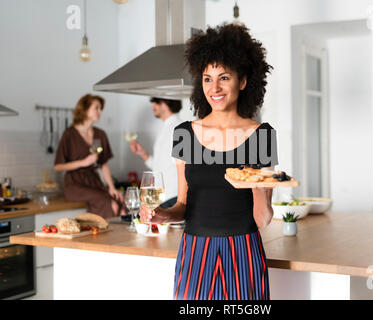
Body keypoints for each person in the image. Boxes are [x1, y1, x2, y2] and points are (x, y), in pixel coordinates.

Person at [140, 24, 277, 300]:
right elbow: (182, 205)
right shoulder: (185, 135)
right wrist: (162, 215)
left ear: (243, 81)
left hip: (243, 250)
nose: (214, 87)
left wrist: (258, 184)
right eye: (207, 78)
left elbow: (262, 219)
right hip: (195, 250)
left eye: (224, 77)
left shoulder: (262, 136)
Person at [54, 94, 125, 218]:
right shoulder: (69, 134)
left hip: (94, 182)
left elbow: (103, 164)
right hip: (75, 184)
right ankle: (104, 235)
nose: (100, 111)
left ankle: (120, 236)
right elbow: (58, 166)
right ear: (85, 109)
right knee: (109, 204)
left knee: (120, 203)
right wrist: (83, 162)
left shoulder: (100, 134)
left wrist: (112, 188)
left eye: (101, 108)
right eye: (96, 108)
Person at [129, 97, 183, 208]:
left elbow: (184, 165)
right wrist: (143, 154)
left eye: (155, 104)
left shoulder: (178, 129)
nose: (153, 107)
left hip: (173, 197)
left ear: (164, 104)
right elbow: (160, 166)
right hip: (162, 197)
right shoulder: (166, 128)